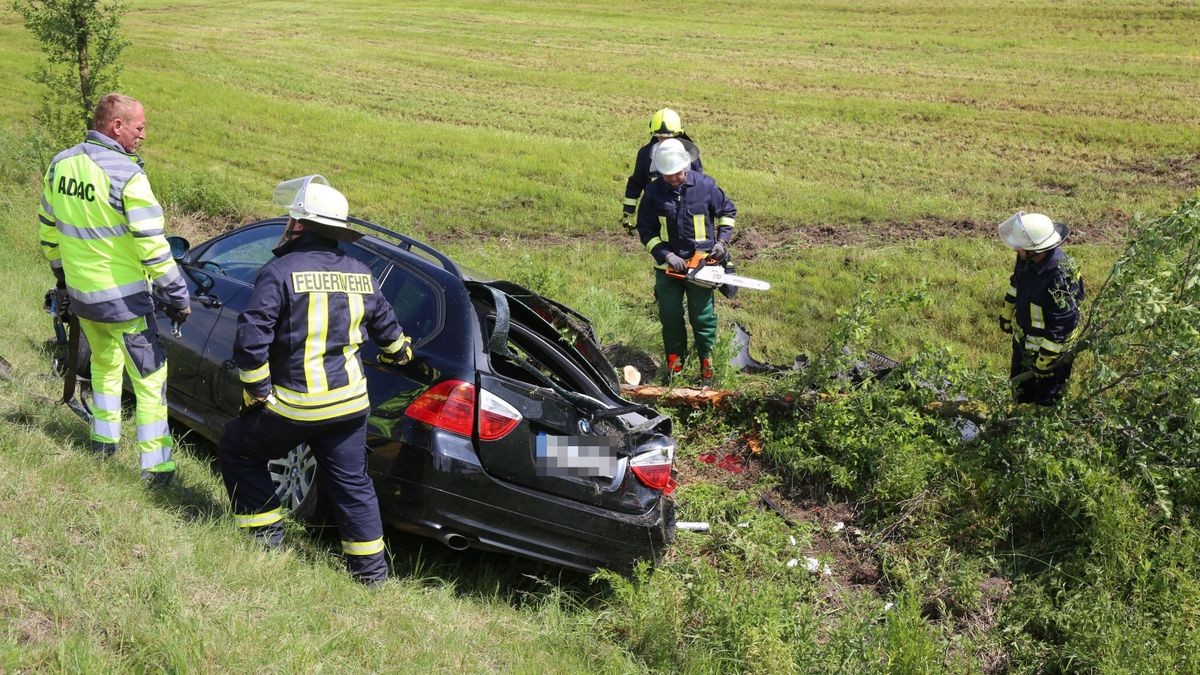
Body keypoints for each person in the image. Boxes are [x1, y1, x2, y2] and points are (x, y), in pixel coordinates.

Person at [216, 176, 413, 585]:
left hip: (295, 405)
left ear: (300, 226)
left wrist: (256, 390)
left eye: (291, 219)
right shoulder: (362, 273)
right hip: (349, 407)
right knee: (353, 485)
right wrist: (403, 356)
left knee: (238, 449)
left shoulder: (280, 270)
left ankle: (266, 538)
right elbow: (392, 338)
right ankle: (372, 576)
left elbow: (251, 338)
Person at [38, 92, 191, 483]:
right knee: (150, 379)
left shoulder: (61, 164)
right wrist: (177, 295)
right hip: (125, 303)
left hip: (83, 298)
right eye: (140, 127)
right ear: (116, 125)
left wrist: (63, 277)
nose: (143, 136)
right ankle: (156, 467)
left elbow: (48, 232)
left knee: (105, 366)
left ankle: (103, 442)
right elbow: (153, 245)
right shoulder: (128, 175)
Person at [635, 139, 736, 383]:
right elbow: (645, 230)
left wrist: (721, 243)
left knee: (702, 318)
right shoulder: (653, 192)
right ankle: (675, 369)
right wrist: (665, 255)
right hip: (668, 269)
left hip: (703, 265)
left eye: (677, 173)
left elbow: (727, 212)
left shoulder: (706, 186)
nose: (673, 179)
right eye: (667, 175)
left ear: (686, 166)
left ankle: (707, 369)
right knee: (670, 317)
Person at [998, 211, 1085, 406]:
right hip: (1024, 344)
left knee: (1045, 402)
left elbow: (1064, 322)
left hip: (1052, 353)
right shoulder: (1026, 258)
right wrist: (1007, 313)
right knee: (1020, 393)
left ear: (1037, 249)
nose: (1016, 251)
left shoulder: (1061, 275)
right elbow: (1016, 284)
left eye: (1020, 248)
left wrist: (1046, 360)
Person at [621, 108, 704, 233]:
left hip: (685, 213)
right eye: (660, 138)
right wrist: (628, 211)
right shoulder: (646, 154)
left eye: (670, 138)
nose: (665, 143)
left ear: (679, 135)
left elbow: (699, 183)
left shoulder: (689, 154)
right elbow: (636, 182)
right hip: (656, 212)